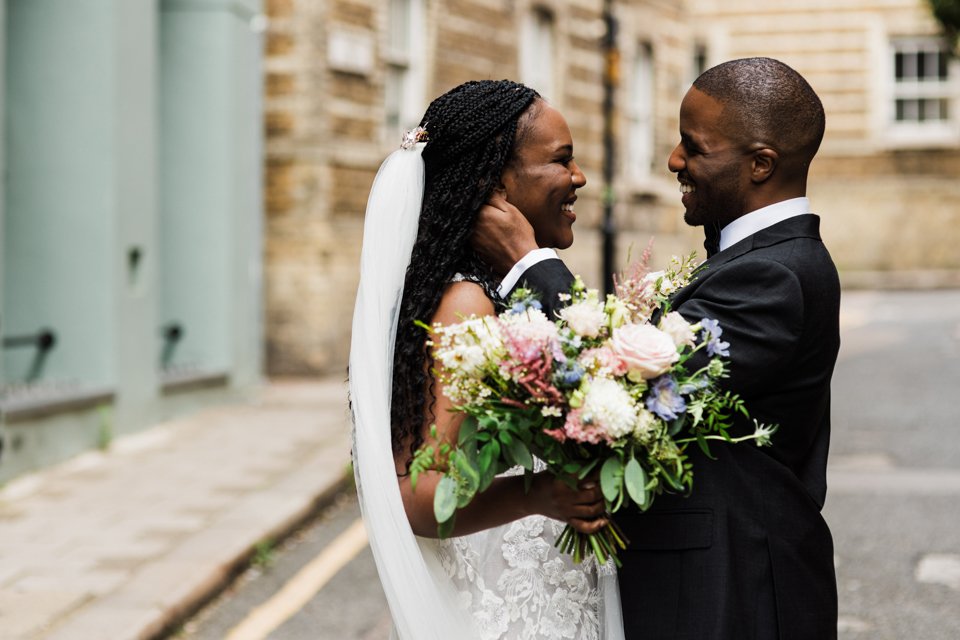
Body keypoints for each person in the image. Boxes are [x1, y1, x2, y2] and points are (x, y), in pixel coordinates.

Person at [473, 58, 840, 639]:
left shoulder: (775, 277)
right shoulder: (759, 261)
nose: (674, 161)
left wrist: (529, 261)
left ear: (760, 164)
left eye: (693, 146)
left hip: (732, 592)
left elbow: (619, 392)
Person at [349, 79, 625, 640]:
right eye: (561, 161)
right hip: (518, 613)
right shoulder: (465, 304)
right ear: (498, 182)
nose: (579, 178)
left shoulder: (501, 291)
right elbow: (417, 496)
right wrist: (543, 494)